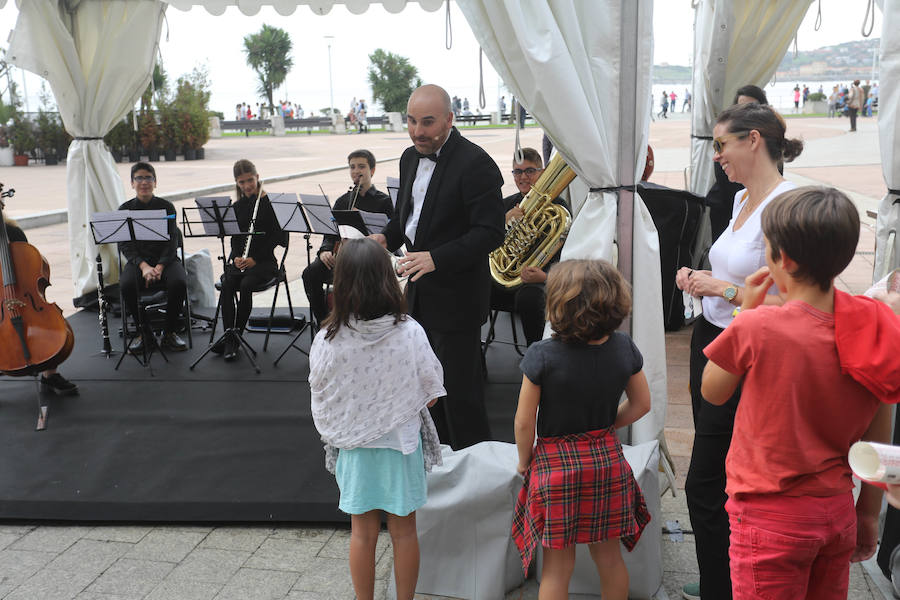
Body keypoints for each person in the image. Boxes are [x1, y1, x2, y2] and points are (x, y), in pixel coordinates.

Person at [701, 187, 900, 600]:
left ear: (782, 260)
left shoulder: (758, 328)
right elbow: (881, 423)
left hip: (768, 519)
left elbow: (713, 391)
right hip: (837, 511)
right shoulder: (874, 322)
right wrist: (867, 513)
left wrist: (747, 312)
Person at [675, 101, 803, 600]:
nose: (716, 156)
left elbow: (799, 296)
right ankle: (720, 577)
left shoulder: (787, 205)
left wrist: (724, 291)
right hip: (713, 340)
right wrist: (701, 282)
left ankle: (723, 587)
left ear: (754, 140)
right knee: (719, 473)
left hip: (752, 352)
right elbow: (733, 272)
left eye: (721, 144)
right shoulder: (741, 199)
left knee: (705, 481)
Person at [309, 237, 445, 600]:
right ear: (388, 278)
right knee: (404, 533)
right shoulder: (410, 332)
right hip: (400, 446)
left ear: (342, 283)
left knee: (362, 533)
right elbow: (431, 394)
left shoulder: (328, 338)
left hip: (355, 447)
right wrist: (396, 405)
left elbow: (321, 394)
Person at [371, 84, 505, 450]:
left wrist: (437, 258)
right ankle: (437, 465)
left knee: (462, 397)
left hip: (459, 299)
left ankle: (476, 474)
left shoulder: (477, 164)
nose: (417, 131)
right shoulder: (409, 157)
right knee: (425, 391)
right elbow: (408, 218)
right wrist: (384, 237)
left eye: (427, 123)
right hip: (418, 295)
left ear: (449, 119)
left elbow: (491, 233)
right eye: (412, 121)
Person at [511, 259, 652, 600]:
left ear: (557, 303)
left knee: (558, 568)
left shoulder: (542, 355)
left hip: (556, 470)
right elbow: (641, 404)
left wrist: (523, 460)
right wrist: (605, 428)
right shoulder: (623, 347)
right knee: (609, 558)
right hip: (607, 464)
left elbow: (523, 421)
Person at [302, 149, 393, 326]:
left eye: (361, 167)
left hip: (368, 260)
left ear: (372, 171)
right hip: (341, 256)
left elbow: (391, 236)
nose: (356, 171)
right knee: (310, 273)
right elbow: (330, 234)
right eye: (352, 167)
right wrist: (325, 250)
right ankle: (324, 322)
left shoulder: (384, 202)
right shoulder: (343, 201)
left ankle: (359, 322)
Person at [0, 208, 79, 396]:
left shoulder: (13, 232)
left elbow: (27, 265)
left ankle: (50, 375)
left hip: (22, 296)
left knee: (47, 323)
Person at [214, 159, 286, 361]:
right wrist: (236, 257)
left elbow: (277, 238)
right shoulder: (237, 206)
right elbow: (234, 238)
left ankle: (235, 337)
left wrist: (255, 259)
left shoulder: (269, 204)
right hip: (241, 262)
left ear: (257, 177)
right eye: (242, 182)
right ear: (237, 183)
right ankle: (229, 333)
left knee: (246, 284)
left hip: (264, 263)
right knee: (227, 283)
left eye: (250, 180)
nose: (247, 186)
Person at [491, 147, 560, 346]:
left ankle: (536, 358)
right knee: (468, 286)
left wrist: (546, 277)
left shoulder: (558, 207)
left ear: (543, 172)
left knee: (529, 298)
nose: (523, 177)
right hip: (504, 278)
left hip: (538, 281)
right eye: (518, 172)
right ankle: (475, 363)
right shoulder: (505, 206)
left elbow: (567, 257)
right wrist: (504, 221)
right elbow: (486, 244)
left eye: (530, 171)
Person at [118, 162, 188, 355]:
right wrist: (143, 266)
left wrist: (159, 266)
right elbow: (125, 245)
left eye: (148, 178)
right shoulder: (124, 210)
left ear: (155, 182)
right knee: (126, 285)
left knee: (179, 282)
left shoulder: (167, 207)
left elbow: (172, 241)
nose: (144, 182)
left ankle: (169, 332)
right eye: (139, 178)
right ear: (132, 183)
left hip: (166, 261)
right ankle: (144, 333)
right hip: (138, 262)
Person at [706, 84, 769, 241]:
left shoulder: (775, 200)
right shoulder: (739, 198)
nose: (717, 156)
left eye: (752, 106)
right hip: (726, 207)